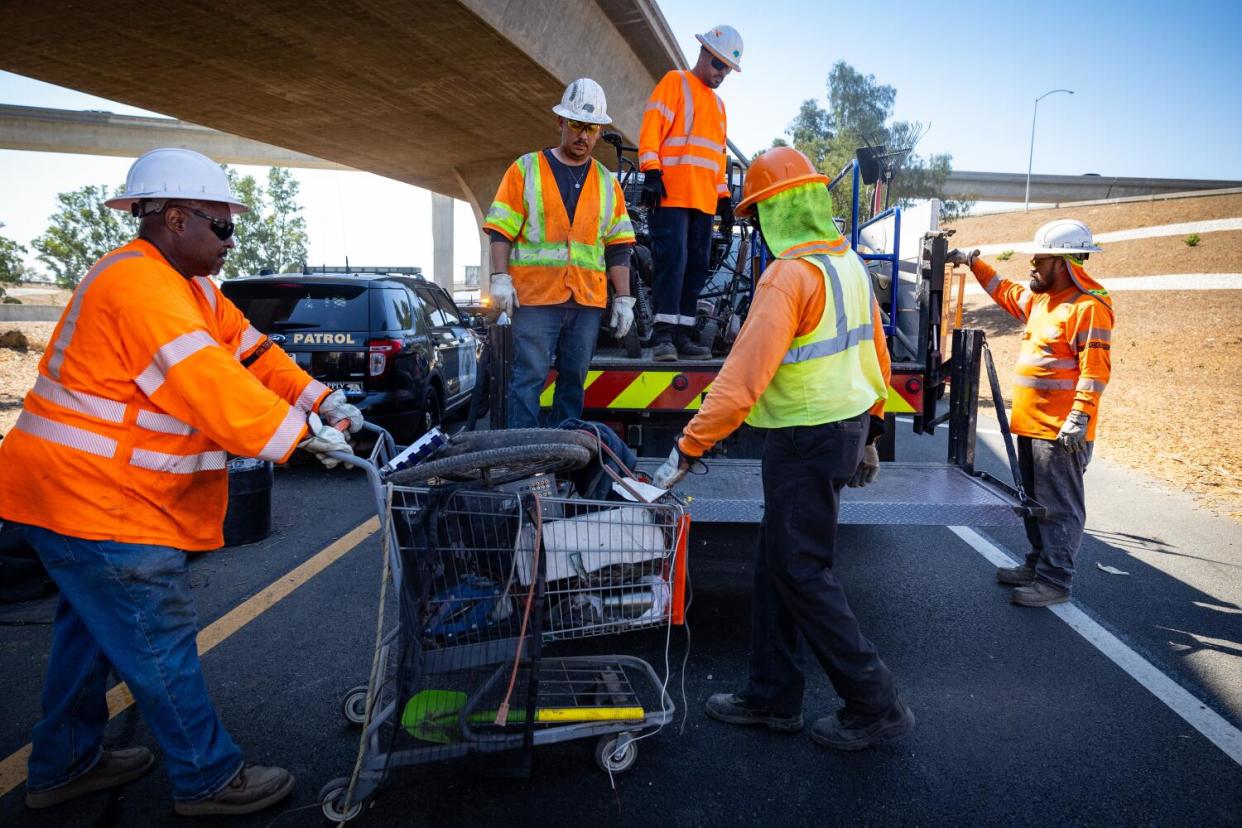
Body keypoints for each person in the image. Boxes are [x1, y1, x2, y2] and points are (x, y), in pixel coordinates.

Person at [0, 147, 360, 815]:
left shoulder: (188, 288)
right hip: (93, 497)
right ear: (174, 219)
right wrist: (301, 437)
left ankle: (62, 765)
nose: (230, 241)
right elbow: (211, 384)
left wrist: (319, 399)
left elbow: (252, 353)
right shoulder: (138, 288)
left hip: (73, 494)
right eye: (222, 227)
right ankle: (207, 779)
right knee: (153, 633)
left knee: (91, 630)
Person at [653, 147, 914, 750]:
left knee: (801, 572)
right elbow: (877, 351)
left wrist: (686, 450)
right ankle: (771, 696)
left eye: (761, 211)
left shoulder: (787, 276)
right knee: (778, 564)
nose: (761, 225)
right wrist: (872, 431)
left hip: (803, 439)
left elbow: (741, 377)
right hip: (835, 433)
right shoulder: (845, 263)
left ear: (777, 211)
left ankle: (874, 702)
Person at [949, 219, 1113, 607]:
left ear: (1064, 263)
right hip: (1033, 426)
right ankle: (1038, 564)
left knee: (1058, 508)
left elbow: (1095, 371)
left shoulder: (1088, 309)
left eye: (1040, 259)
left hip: (1060, 432)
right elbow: (1005, 292)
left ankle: (1055, 581)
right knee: (1035, 503)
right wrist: (974, 261)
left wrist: (1080, 417)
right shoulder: (1043, 302)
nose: (1033, 266)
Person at [484, 78, 636, 427]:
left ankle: (564, 458)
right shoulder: (525, 169)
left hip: (586, 301)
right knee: (528, 379)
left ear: (599, 132)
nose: (584, 136)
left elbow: (618, 246)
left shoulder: (607, 183)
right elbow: (500, 229)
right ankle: (522, 461)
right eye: (577, 126)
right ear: (560, 123)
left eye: (592, 128)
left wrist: (624, 298)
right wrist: (500, 278)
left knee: (573, 382)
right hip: (537, 300)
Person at [638, 24, 742, 361]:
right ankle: (662, 337)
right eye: (717, 65)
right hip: (670, 196)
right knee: (673, 261)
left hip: (703, 201)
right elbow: (651, 129)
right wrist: (651, 173)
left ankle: (681, 335)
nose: (720, 74)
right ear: (704, 54)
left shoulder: (720, 106)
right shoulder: (675, 82)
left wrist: (724, 198)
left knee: (696, 265)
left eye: (726, 70)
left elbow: (715, 159)